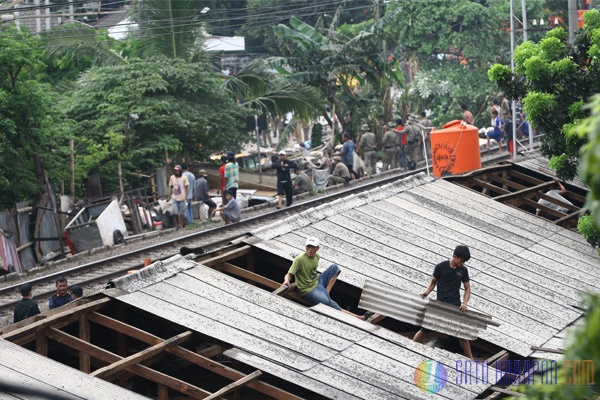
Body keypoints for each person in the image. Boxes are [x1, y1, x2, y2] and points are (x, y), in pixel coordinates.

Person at [282, 237, 373, 320]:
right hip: (308, 290)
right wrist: (286, 281)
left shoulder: (317, 256)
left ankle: (326, 293)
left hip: (317, 283)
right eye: (308, 247)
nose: (310, 249)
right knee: (331, 304)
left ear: (317, 248)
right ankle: (360, 317)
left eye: (312, 247)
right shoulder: (299, 259)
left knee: (334, 268)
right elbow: (289, 274)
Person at [413, 245, 474, 360]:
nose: (463, 263)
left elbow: (467, 288)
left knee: (462, 335)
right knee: (425, 329)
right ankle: (410, 347)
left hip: (455, 307)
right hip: (439, 305)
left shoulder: (463, 271)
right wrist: (426, 292)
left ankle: (471, 360)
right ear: (455, 257)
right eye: (462, 261)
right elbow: (433, 282)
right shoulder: (440, 267)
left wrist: (465, 303)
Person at [167, 165, 189, 230]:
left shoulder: (184, 177)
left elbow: (186, 187)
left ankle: (181, 224)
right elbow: (171, 187)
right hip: (174, 197)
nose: (176, 171)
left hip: (182, 197)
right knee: (174, 212)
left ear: (180, 171)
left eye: (177, 170)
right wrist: (169, 196)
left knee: (182, 212)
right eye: (175, 170)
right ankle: (178, 222)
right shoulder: (172, 177)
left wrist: (186, 196)